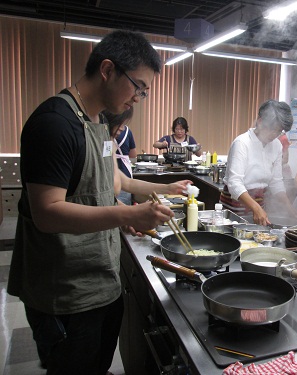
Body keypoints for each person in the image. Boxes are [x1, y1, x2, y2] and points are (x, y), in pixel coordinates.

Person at [7, 30, 192, 375]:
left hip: (102, 280)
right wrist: (128, 211)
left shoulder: (100, 123)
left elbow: (111, 183)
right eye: (137, 86)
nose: (138, 98)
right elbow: (47, 213)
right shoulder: (54, 123)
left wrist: (149, 201)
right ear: (107, 70)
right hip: (65, 292)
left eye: (144, 91)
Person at [221, 100, 297, 225]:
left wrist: (289, 207)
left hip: (259, 208)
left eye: (279, 131)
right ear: (260, 121)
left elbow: (276, 182)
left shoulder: (276, 146)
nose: (275, 134)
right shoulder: (242, 143)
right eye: (272, 129)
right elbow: (234, 183)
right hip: (236, 209)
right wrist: (256, 208)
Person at [104, 107, 137, 205]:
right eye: (121, 123)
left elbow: (128, 183)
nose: (122, 128)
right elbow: (115, 188)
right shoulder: (107, 143)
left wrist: (168, 188)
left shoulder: (107, 142)